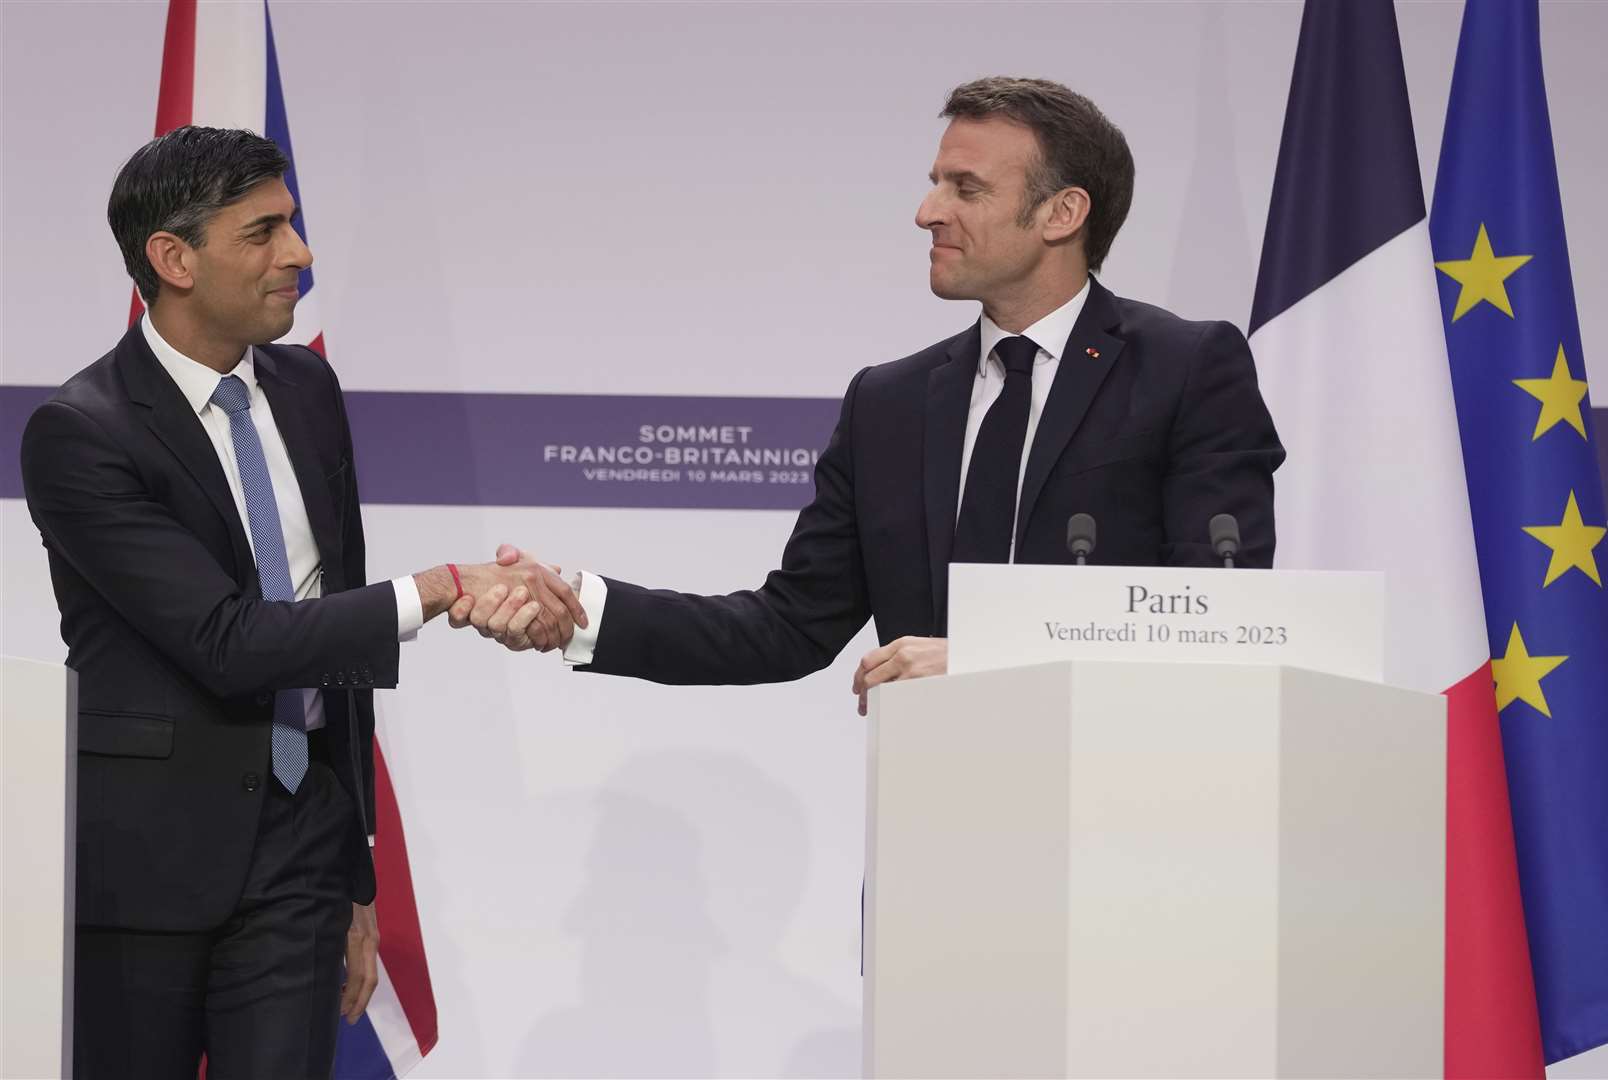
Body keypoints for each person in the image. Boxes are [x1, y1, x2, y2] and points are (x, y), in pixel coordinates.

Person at [19, 126, 584, 1079]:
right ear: (173, 259)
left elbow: (333, 636)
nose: (300, 254)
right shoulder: (81, 433)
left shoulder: (308, 387)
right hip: (146, 870)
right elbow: (227, 641)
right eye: (264, 231)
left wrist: (354, 869)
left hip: (298, 850)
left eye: (296, 223)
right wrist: (443, 588)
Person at [461, 76, 1284, 710]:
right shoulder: (889, 402)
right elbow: (785, 627)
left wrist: (996, 665)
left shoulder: (1184, 368)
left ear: (1062, 212)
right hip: (929, 827)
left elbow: (1216, 615)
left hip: (1139, 824)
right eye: (935, 183)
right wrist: (583, 608)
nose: (927, 212)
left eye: (966, 188)